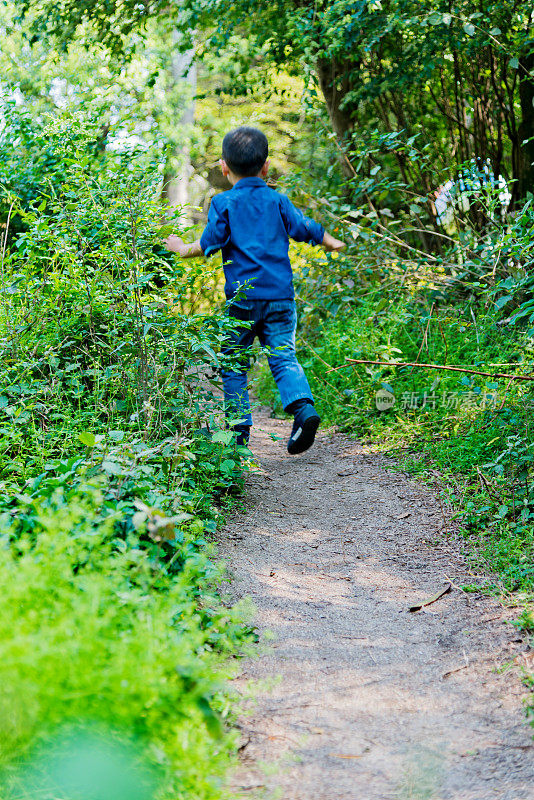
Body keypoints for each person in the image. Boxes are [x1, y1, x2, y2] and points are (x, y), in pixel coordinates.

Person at [164, 125, 345, 454]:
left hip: (242, 300)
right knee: (282, 357)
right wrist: (329, 240)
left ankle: (238, 431)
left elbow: (207, 246)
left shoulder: (223, 203)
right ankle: (304, 411)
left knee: (233, 362)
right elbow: (304, 228)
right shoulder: (278, 200)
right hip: (280, 298)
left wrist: (179, 247)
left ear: (224, 167)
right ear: (265, 167)